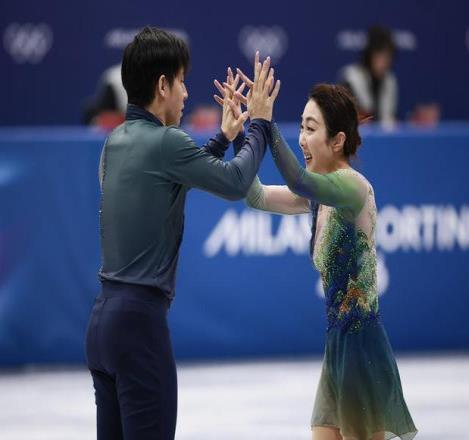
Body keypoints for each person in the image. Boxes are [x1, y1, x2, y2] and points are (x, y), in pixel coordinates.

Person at [84, 27, 280, 440]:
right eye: (182, 82)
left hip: (102, 326)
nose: (187, 93)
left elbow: (170, 182)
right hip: (140, 327)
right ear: (162, 86)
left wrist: (224, 139)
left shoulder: (114, 142)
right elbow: (235, 183)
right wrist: (259, 124)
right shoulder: (166, 142)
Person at [220, 72, 417, 439]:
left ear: (338, 140)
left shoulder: (353, 187)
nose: (302, 139)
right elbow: (255, 196)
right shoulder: (316, 196)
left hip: (362, 348)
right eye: (301, 127)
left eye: (311, 129)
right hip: (337, 346)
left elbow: (297, 180)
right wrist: (240, 136)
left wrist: (265, 123)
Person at [338, 26, 397, 124]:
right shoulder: (350, 78)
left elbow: (389, 118)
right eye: (379, 56)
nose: (384, 62)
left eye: (387, 57)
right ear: (369, 55)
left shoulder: (389, 80)